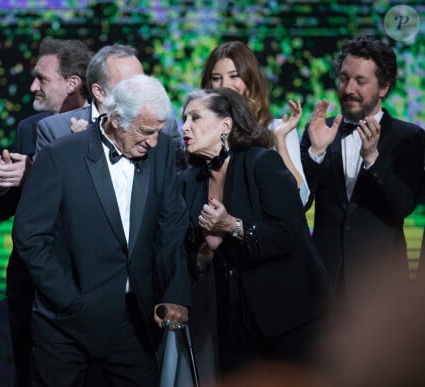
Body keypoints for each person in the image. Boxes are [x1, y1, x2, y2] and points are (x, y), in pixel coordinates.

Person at [13, 74, 191, 387]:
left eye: (158, 131)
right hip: (66, 323)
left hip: (133, 319)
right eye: (146, 131)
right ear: (118, 118)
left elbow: (172, 225)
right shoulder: (60, 155)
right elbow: (30, 237)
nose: (153, 141)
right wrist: (68, 300)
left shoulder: (161, 150)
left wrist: (175, 293)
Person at [179, 88, 330, 380]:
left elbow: (288, 236)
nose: (185, 126)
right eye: (183, 119)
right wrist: (207, 250)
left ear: (226, 125)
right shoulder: (189, 181)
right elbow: (187, 253)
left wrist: (232, 226)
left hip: (289, 316)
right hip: (232, 319)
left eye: (195, 117)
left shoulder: (263, 163)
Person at [0, 38, 92, 387]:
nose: (32, 86)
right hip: (31, 284)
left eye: (41, 79)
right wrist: (2, 184)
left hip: (86, 282)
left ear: (72, 84)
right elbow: (5, 210)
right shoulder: (28, 129)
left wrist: (36, 176)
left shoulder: (105, 130)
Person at [300, 35, 425, 290]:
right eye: (344, 78)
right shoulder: (318, 130)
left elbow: (405, 206)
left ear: (384, 87)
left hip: (382, 287)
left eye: (360, 81)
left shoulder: (409, 137)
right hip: (325, 283)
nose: (348, 89)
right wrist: (315, 154)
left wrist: (373, 160)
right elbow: (298, 203)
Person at [35, 43, 186, 170]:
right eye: (129, 85)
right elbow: (47, 192)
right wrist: (75, 147)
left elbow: (177, 184)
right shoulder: (55, 130)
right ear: (99, 92)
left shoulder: (164, 128)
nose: (141, 91)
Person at [201, 41, 309, 205]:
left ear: (249, 80)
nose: (224, 85)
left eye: (234, 76)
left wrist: (279, 140)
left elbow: (300, 199)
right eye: (216, 78)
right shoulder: (201, 133)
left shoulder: (276, 129)